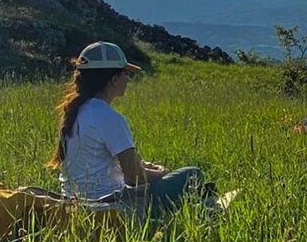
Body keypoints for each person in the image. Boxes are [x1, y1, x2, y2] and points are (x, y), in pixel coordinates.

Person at [49, 41, 206, 214]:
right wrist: (164, 174)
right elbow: (134, 178)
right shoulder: (109, 117)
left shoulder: (75, 111)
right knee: (193, 174)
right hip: (107, 204)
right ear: (114, 79)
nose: (128, 79)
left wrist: (143, 167)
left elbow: (102, 165)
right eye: (126, 73)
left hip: (74, 199)